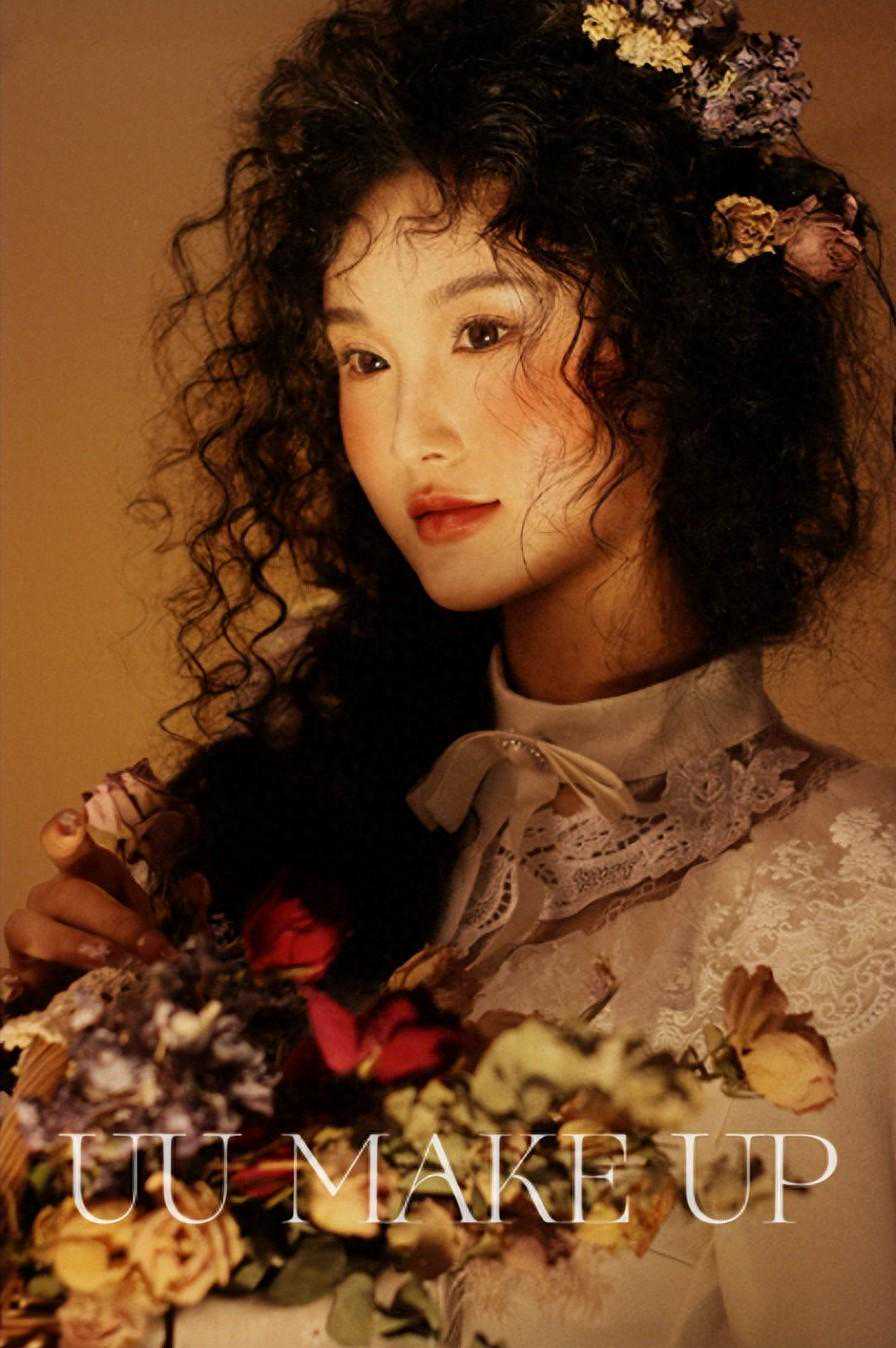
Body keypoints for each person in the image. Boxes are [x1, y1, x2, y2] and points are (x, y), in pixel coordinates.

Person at [3, 1, 896, 1344]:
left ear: (677, 339)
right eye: (364, 357)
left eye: (482, 331)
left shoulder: (846, 892)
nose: (409, 430)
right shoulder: (311, 799)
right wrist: (65, 1039)